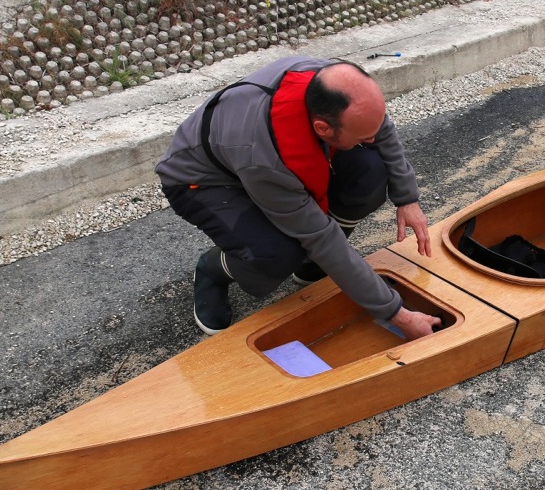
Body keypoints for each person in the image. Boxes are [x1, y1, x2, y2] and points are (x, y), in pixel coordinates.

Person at [156, 56, 442, 340]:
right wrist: (397, 314)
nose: (371, 140)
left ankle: (311, 266)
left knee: (371, 172)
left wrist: (407, 197)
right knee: (279, 253)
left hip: (254, 157)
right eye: (363, 136)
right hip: (203, 181)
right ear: (322, 129)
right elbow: (320, 237)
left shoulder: (332, 83)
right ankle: (212, 270)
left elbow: (380, 129)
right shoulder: (264, 160)